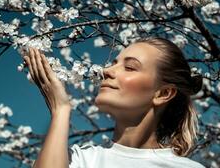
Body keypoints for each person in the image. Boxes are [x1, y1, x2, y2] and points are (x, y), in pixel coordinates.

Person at [23, 37, 205, 168]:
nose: (106, 70)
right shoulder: (77, 160)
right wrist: (60, 109)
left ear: (163, 93)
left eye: (130, 67)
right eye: (114, 63)